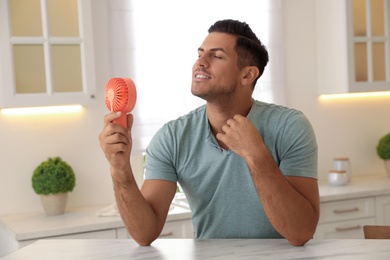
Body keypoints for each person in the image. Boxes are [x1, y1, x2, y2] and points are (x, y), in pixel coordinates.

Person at [99, 19, 319, 247]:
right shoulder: (173, 137)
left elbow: (301, 232)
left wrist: (256, 155)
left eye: (216, 56)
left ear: (247, 75)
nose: (200, 63)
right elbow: (145, 233)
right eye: (200, 54)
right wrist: (120, 169)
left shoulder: (290, 126)